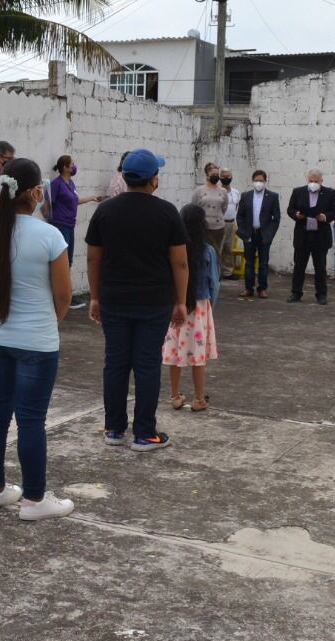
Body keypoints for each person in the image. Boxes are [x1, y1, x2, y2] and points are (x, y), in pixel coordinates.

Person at [0, 158, 73, 518]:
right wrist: (50, 322)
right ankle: (34, 500)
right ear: (35, 193)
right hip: (36, 340)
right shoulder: (50, 236)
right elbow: (63, 295)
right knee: (31, 420)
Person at [86, 148, 189, 452]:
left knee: (115, 364)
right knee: (147, 365)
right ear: (153, 179)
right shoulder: (167, 212)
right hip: (154, 301)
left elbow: (93, 258)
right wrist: (180, 301)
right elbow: (180, 262)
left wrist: (94, 297)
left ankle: (114, 428)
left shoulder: (105, 211)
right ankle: (144, 433)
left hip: (113, 299)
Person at [163, 205, 219, 412]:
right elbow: (214, 283)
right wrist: (210, 305)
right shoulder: (208, 250)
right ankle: (198, 399)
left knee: (175, 351)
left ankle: (175, 396)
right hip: (200, 307)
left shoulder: (172, 249)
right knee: (198, 354)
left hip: (176, 304)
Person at [286, 169, 335, 305]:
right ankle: (296, 293)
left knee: (320, 267)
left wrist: (325, 217)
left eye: (316, 181)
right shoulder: (298, 191)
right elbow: (290, 209)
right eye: (311, 181)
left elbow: (334, 211)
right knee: (299, 266)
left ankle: (321, 294)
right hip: (302, 235)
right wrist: (296, 214)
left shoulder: (329, 193)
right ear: (307, 180)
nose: (313, 183)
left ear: (321, 181)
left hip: (320, 235)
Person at [45, 154, 101, 268]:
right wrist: (49, 219)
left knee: (68, 260)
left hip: (70, 225)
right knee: (61, 260)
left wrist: (92, 198)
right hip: (60, 225)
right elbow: (47, 201)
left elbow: (75, 200)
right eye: (72, 164)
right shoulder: (56, 184)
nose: (74, 167)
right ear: (65, 167)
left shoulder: (70, 183)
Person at [235, 170, 281, 299]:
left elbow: (276, 218)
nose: (258, 183)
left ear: (265, 181)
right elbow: (240, 216)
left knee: (263, 263)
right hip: (249, 234)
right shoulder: (246, 196)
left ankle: (262, 288)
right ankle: (248, 288)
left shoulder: (272, 196)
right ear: (252, 181)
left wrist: (270, 234)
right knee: (249, 263)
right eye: (256, 180)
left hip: (264, 235)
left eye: (261, 180)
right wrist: (244, 233)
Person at [191, 163, 232, 280]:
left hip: (218, 228)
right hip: (202, 228)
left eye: (216, 174)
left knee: (216, 253)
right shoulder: (199, 191)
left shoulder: (223, 191)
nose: (215, 176)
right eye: (213, 174)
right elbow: (194, 207)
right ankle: (201, 277)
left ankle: (215, 278)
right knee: (202, 253)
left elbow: (224, 208)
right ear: (207, 174)